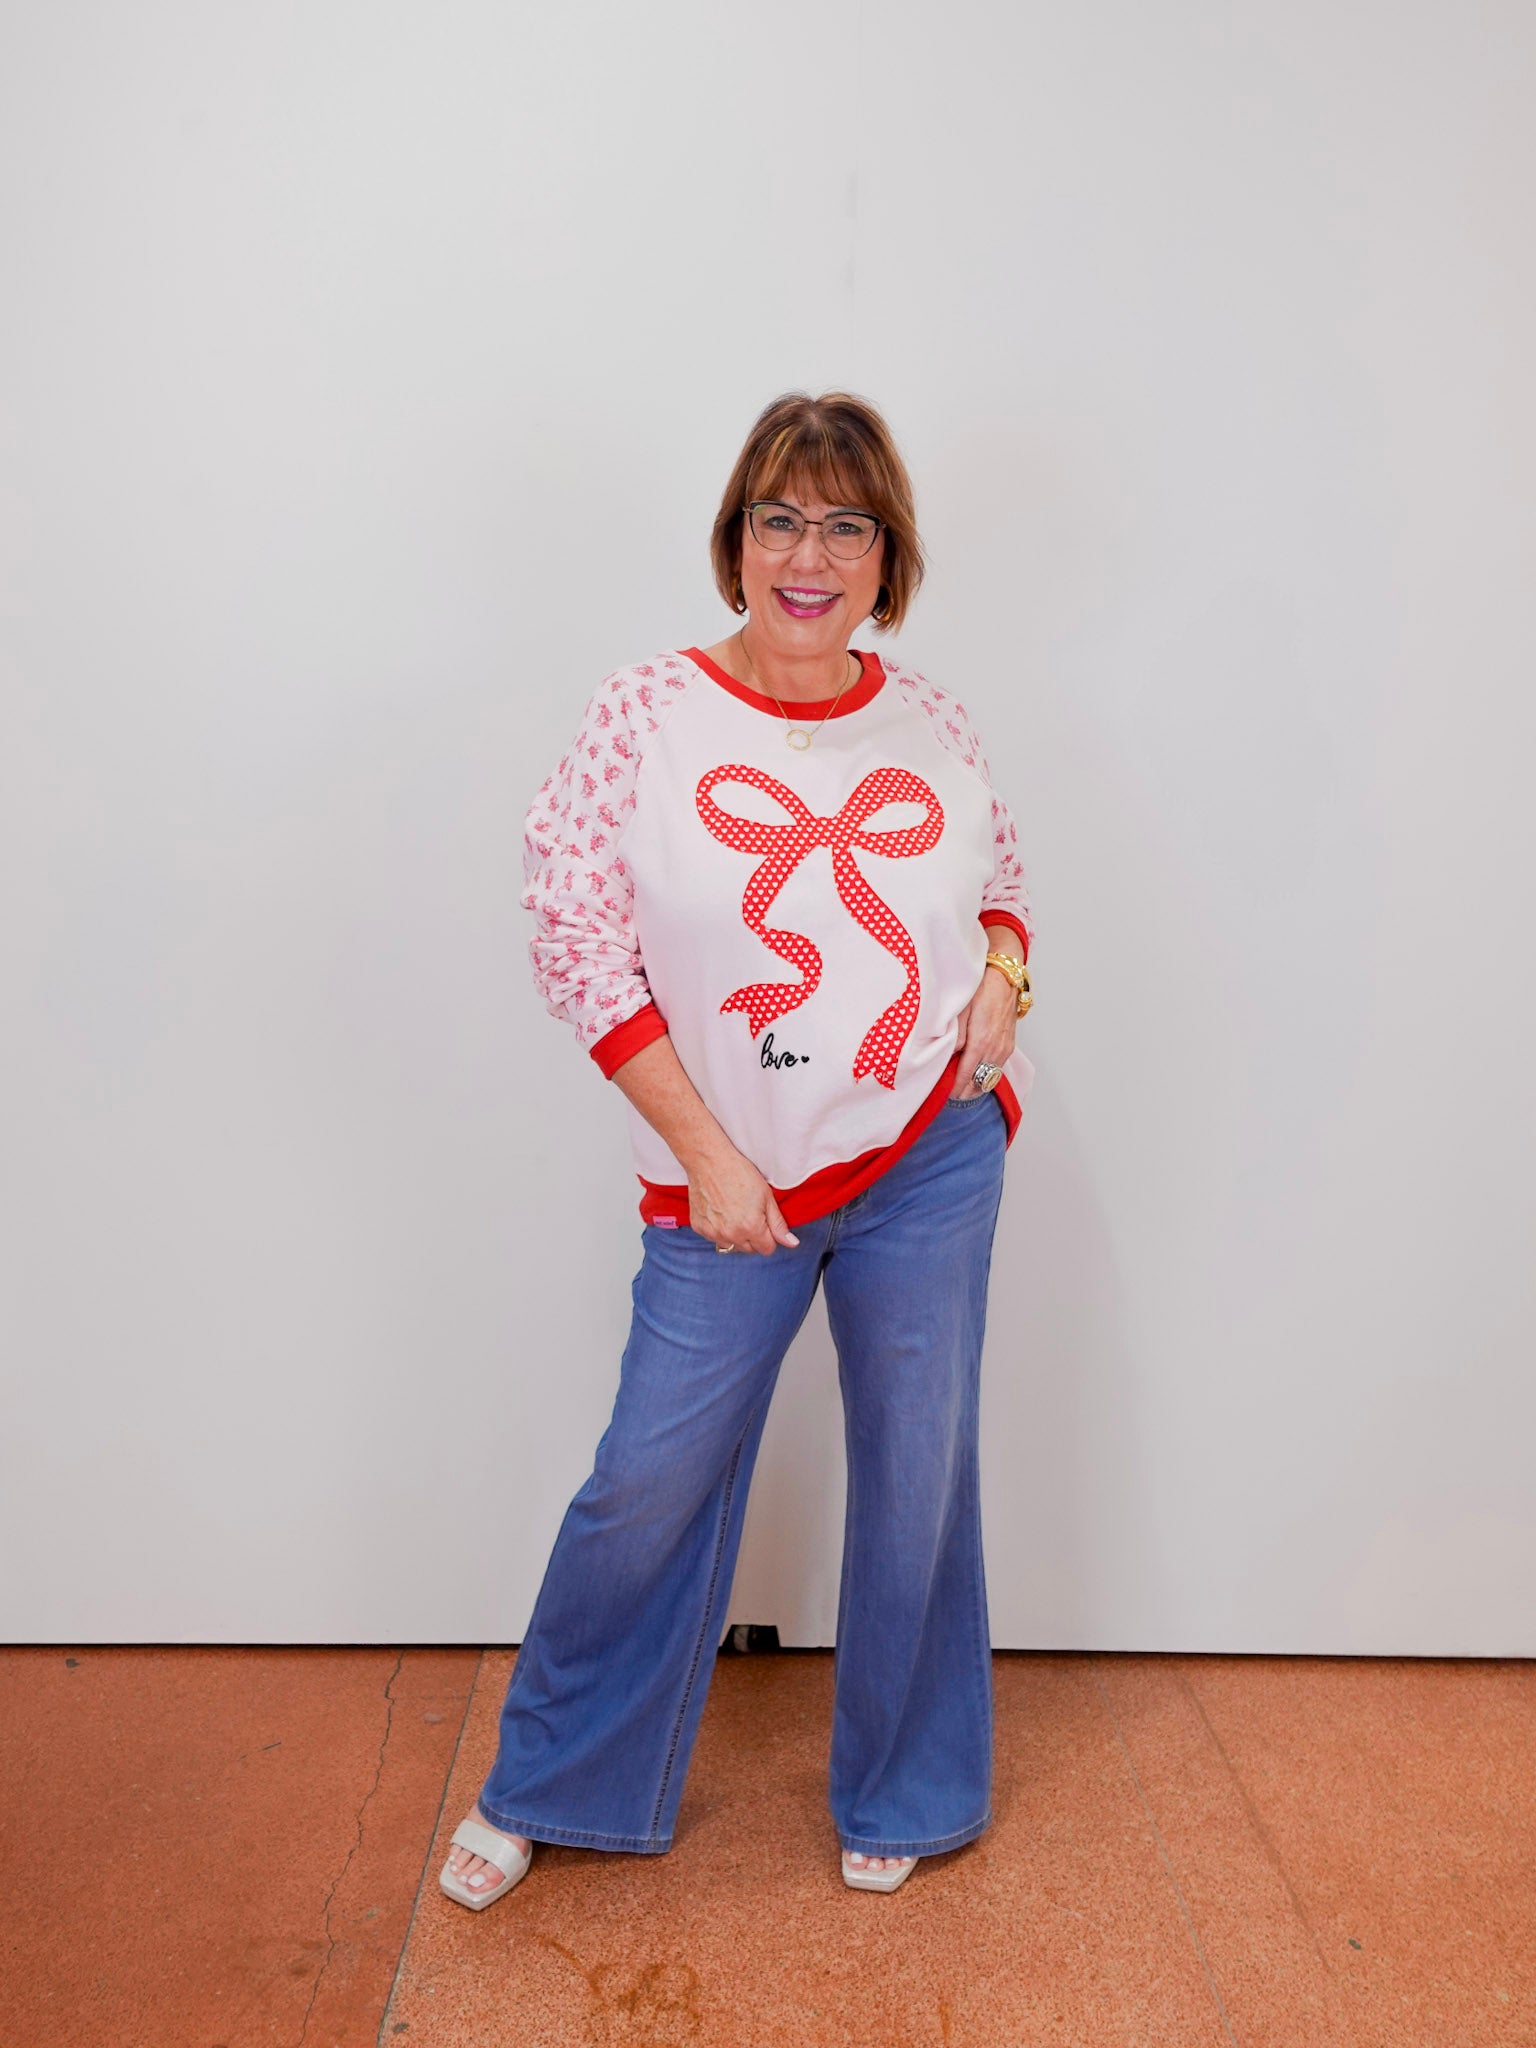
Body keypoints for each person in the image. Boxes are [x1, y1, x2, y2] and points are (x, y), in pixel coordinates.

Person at [441, 389, 1036, 1908]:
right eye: (781, 518)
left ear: (886, 554)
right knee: (650, 1474)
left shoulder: (937, 717)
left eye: (848, 525)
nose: (810, 554)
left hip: (930, 1156)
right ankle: (555, 1781)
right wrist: (708, 1154)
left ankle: (904, 1784)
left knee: (919, 1469)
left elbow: (1001, 878)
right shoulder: (645, 715)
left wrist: (1012, 980)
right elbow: (575, 939)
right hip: (732, 1178)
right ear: (737, 539)